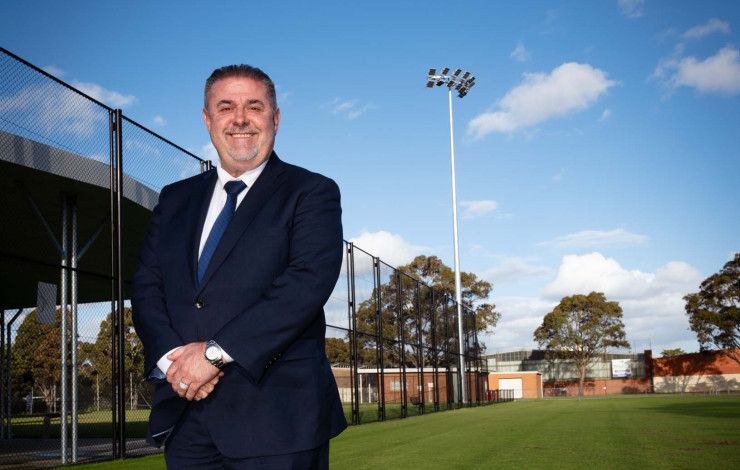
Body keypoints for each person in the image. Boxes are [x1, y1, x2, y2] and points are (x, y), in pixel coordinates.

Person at [132, 64, 347, 469]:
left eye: (255, 106)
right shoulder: (175, 198)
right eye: (226, 106)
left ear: (275, 118)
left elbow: (305, 284)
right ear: (208, 119)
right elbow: (147, 285)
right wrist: (175, 363)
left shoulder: (311, 191)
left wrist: (211, 357)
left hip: (278, 422)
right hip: (187, 417)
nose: (241, 119)